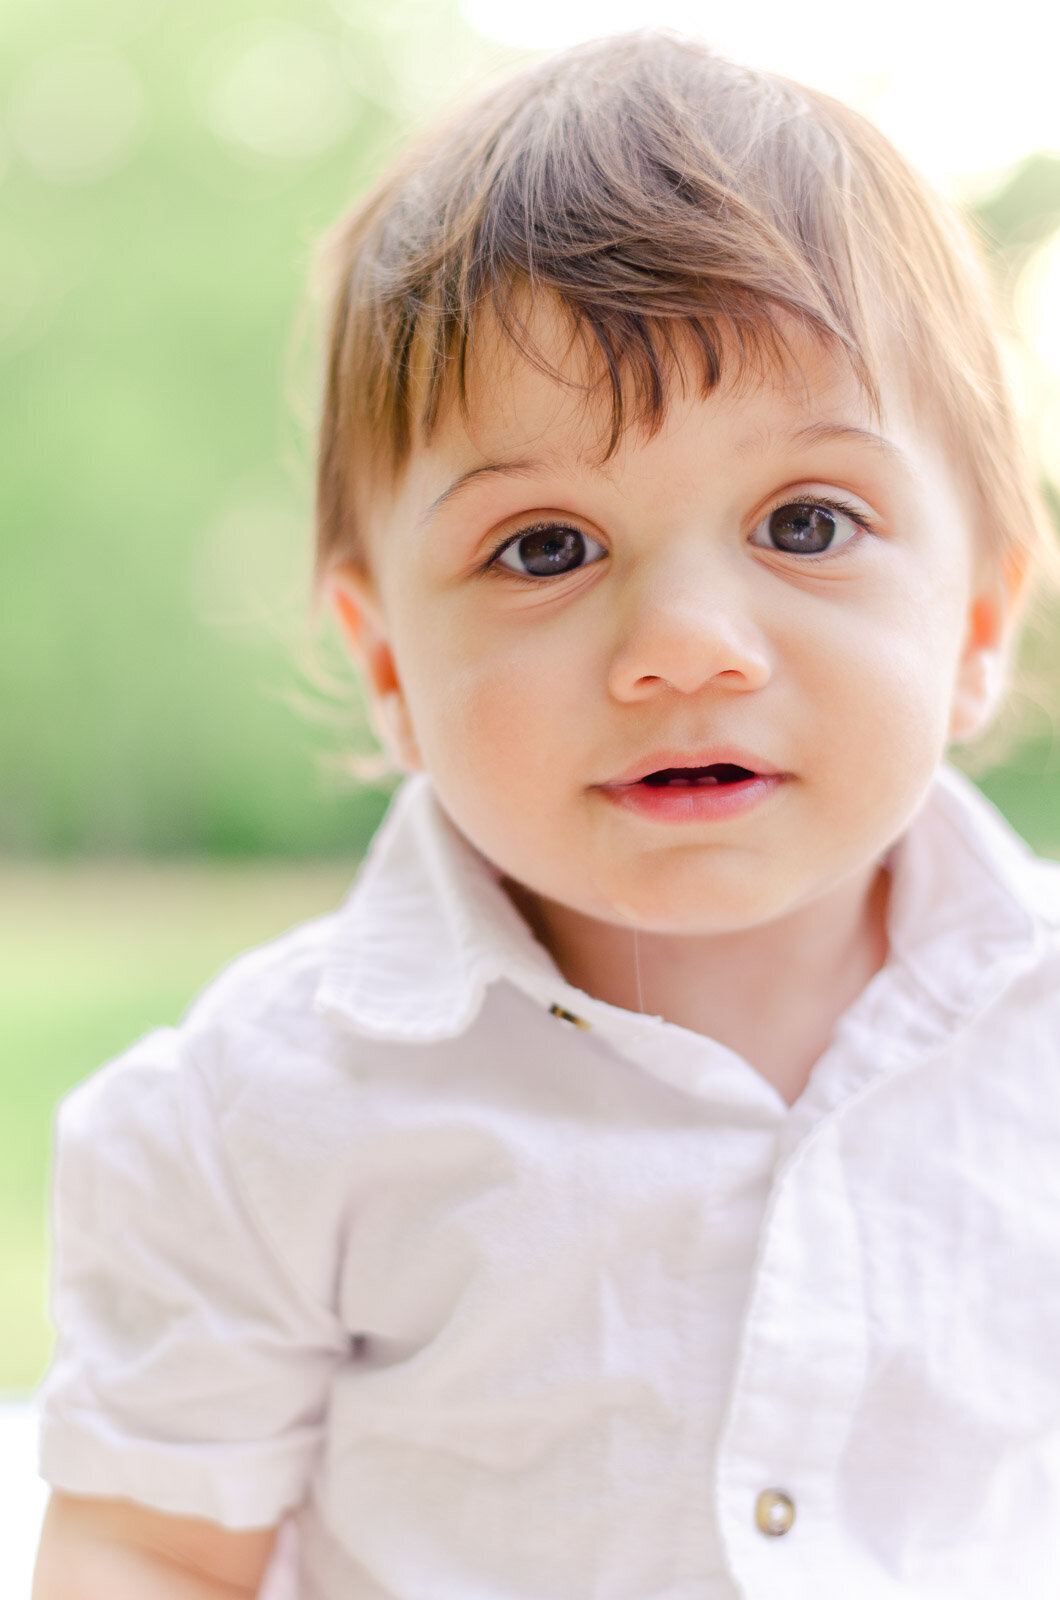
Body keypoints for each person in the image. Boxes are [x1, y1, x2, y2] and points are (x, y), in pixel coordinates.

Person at [31, 30, 1060, 1600]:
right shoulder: (270, 1119)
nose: (684, 645)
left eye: (806, 522)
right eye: (545, 548)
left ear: (981, 620)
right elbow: (150, 1547)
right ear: (387, 660)